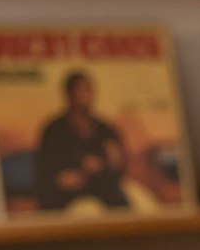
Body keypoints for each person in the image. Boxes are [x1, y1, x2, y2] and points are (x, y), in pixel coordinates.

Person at [33, 70, 128, 211]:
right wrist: (61, 178)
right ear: (69, 94)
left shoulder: (104, 129)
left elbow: (116, 166)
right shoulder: (54, 129)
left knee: (120, 204)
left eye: (87, 91)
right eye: (80, 91)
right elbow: (44, 168)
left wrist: (104, 164)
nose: (84, 96)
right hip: (65, 194)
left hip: (100, 188)